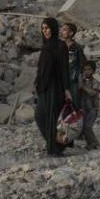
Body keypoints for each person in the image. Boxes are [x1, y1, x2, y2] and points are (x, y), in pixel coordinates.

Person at [34, 17, 73, 156]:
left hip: (56, 87)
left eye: (48, 28)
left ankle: (56, 147)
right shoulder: (45, 46)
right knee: (40, 115)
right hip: (45, 87)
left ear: (54, 29)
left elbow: (64, 69)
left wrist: (67, 89)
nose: (45, 31)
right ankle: (55, 143)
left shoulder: (60, 45)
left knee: (54, 118)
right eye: (43, 28)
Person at [61, 22, 87, 108]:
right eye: (62, 29)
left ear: (71, 33)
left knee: (75, 102)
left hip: (73, 80)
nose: (62, 31)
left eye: (65, 30)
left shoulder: (77, 47)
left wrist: (80, 79)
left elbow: (82, 64)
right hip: (61, 80)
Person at [77, 60, 100, 150]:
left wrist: (83, 86)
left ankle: (94, 142)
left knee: (88, 126)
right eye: (85, 69)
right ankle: (90, 144)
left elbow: (92, 93)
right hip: (84, 107)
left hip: (93, 108)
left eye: (89, 69)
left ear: (93, 71)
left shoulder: (95, 82)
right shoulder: (82, 79)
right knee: (84, 127)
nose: (87, 71)